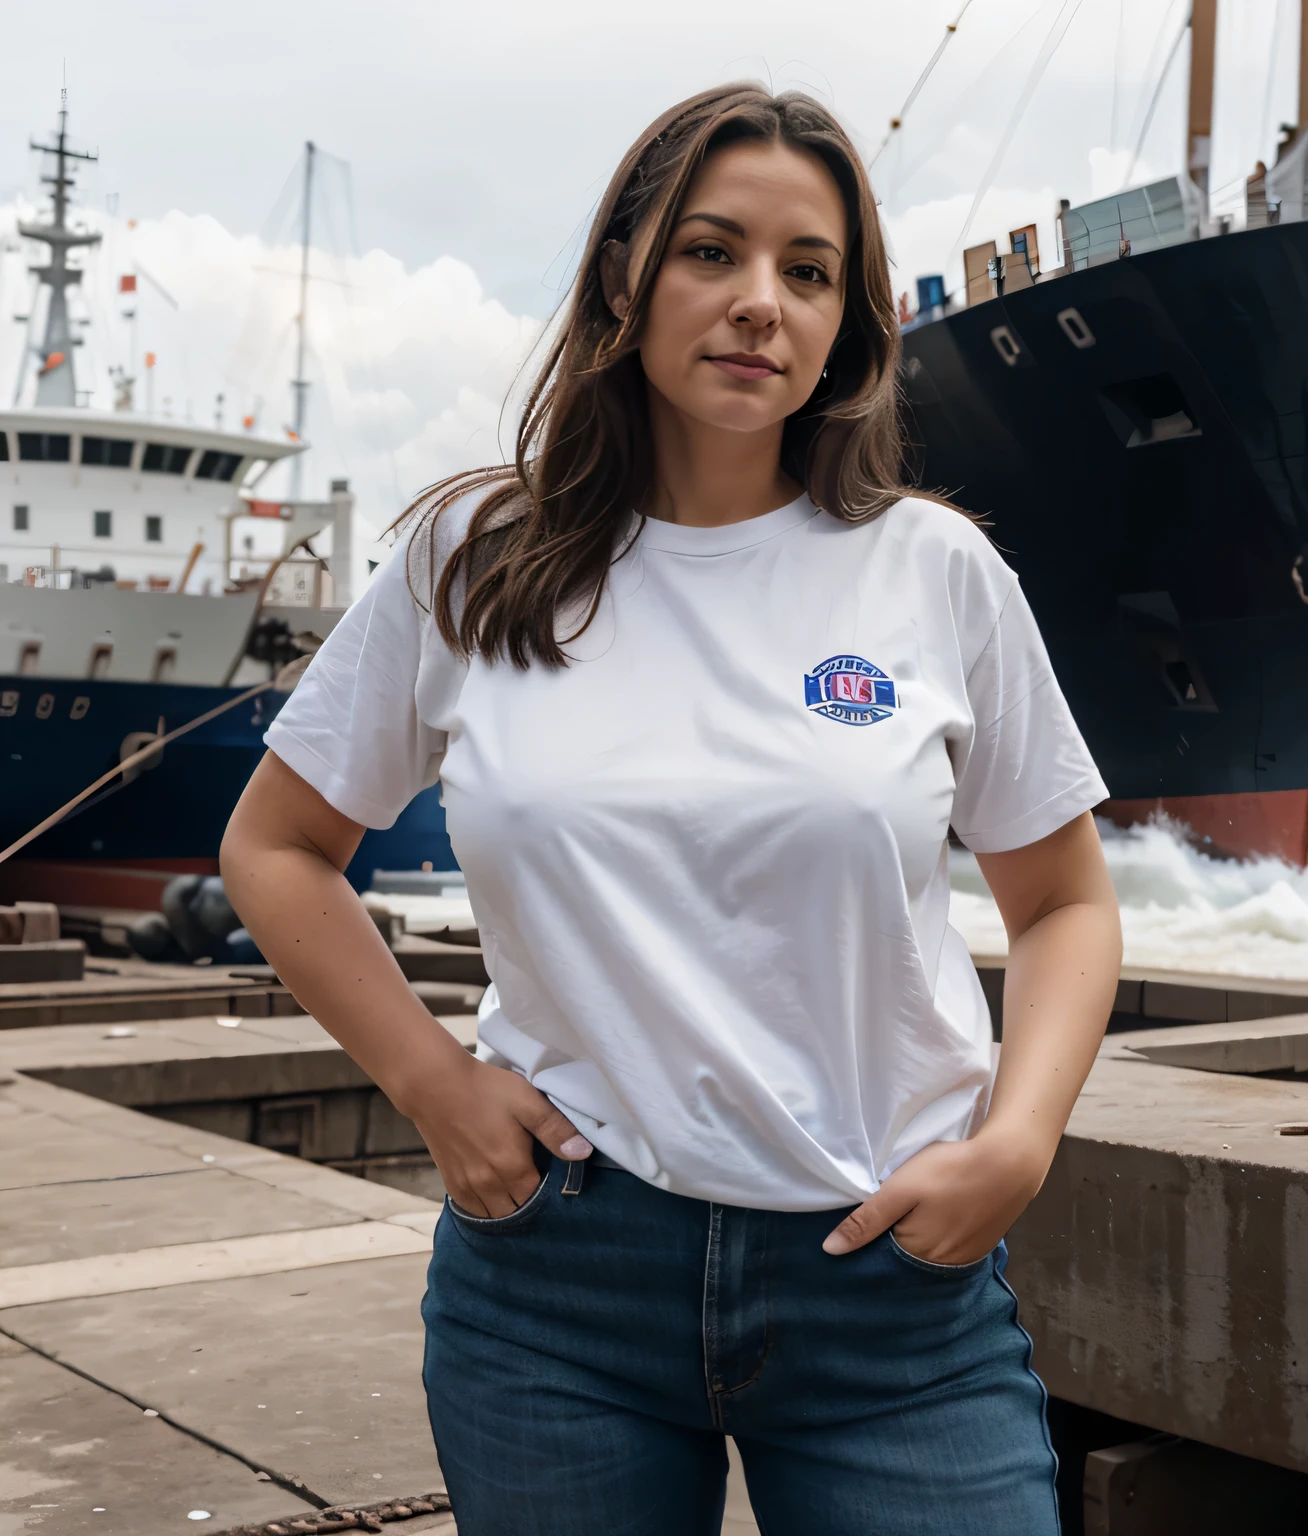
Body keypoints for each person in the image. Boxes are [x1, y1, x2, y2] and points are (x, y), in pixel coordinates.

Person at [221, 83, 1121, 1536]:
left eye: (808, 271)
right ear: (625, 277)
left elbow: (1066, 900)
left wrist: (1017, 1144)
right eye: (714, 251)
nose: (760, 302)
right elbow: (276, 847)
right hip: (559, 1287)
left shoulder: (936, 573)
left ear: (847, 323)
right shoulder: (475, 559)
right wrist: (438, 1091)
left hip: (889, 1287)